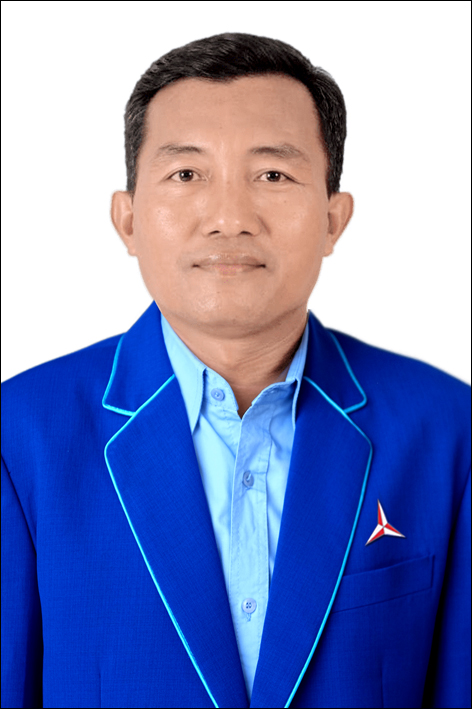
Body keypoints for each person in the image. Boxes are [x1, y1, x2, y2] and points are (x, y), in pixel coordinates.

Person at [1, 32, 470, 709]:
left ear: (333, 219)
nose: (229, 218)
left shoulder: (449, 433)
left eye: (272, 175)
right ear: (127, 219)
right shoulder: (20, 438)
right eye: (187, 174)